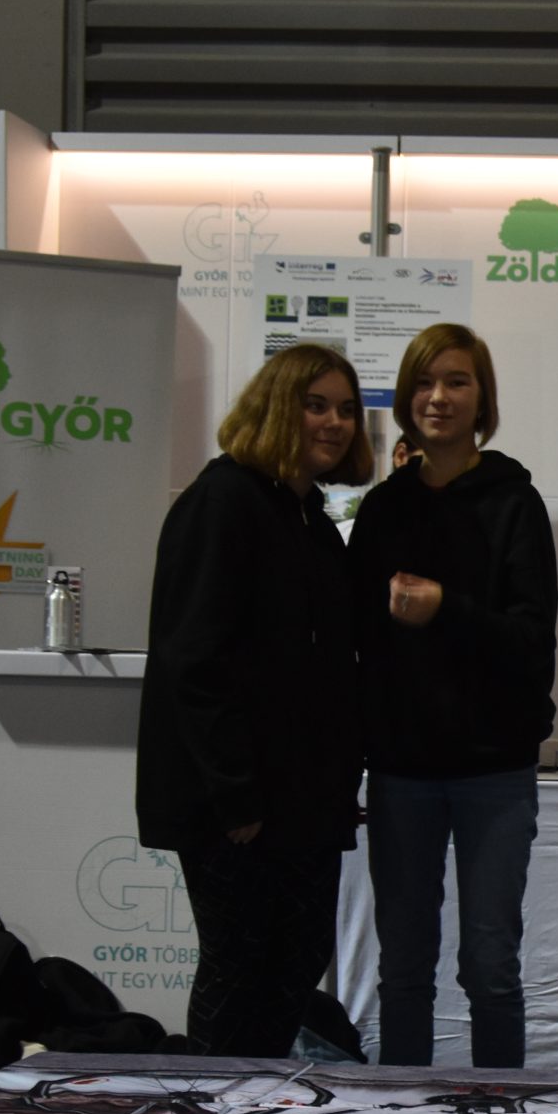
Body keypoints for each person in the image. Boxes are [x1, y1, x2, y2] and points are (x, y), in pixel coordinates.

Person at [137, 343, 369, 1057]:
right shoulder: (223, 501)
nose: (334, 422)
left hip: (302, 802)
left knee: (295, 961)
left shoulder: (311, 519)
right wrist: (235, 793)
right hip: (238, 806)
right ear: (276, 408)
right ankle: (213, 1108)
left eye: (346, 409)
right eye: (315, 404)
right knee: (239, 968)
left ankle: (255, 1102)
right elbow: (191, 661)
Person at [351, 323, 558, 1068]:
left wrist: (446, 607)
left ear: (482, 398)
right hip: (401, 767)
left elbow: (533, 640)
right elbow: (356, 642)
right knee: (404, 966)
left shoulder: (516, 504)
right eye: (424, 382)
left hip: (493, 769)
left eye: (456, 381)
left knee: (490, 967)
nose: (438, 397)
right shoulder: (382, 509)